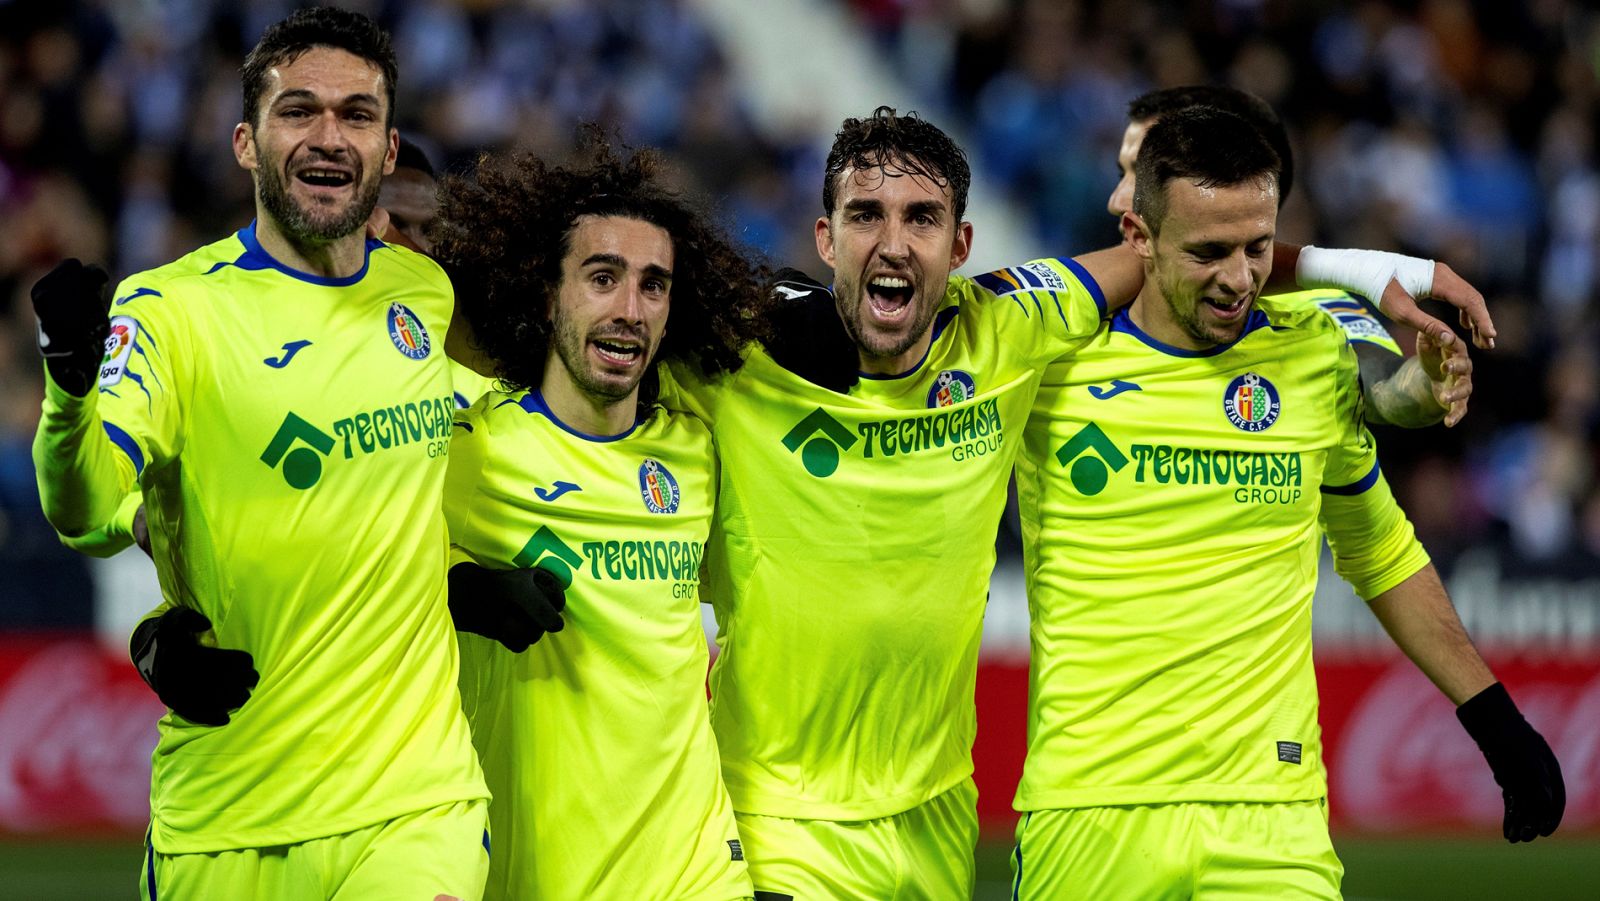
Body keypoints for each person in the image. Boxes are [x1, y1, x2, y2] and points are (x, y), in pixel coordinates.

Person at [665, 105, 1495, 897]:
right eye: (864, 216)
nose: (892, 243)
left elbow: (1184, 248)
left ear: (960, 246)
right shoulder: (739, 357)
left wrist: (1380, 273)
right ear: (825, 236)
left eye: (920, 218)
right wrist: (767, 301)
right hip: (773, 816)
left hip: (935, 820)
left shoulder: (1011, 328)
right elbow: (601, 320)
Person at [1009, 107, 1563, 898]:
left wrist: (1494, 719)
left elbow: (1380, 547)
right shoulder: (1050, 353)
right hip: (1091, 807)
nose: (1238, 277)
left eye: (1257, 249)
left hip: (1274, 817)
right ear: (1140, 237)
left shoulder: (1308, 349)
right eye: (1208, 252)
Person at [29, 8, 492, 898]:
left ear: (389, 150)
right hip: (227, 815)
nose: (329, 137)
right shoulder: (172, 311)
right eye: (300, 111)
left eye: (357, 115)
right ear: (246, 142)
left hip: (413, 803)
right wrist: (70, 392)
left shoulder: (426, 295)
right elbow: (86, 514)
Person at [426, 138, 769, 900]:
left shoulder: (699, 450)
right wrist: (459, 586)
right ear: (548, 295)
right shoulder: (473, 448)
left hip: (697, 869)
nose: (629, 309)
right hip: (535, 870)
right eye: (603, 278)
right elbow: (357, 560)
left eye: (654, 286)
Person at [1108, 85, 1473, 429]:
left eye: (1144, 176)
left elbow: (1379, 388)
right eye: (1124, 173)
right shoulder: (1091, 301)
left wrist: (1429, 382)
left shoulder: (1312, 304)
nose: (1119, 199)